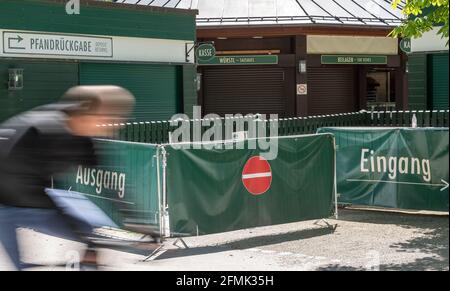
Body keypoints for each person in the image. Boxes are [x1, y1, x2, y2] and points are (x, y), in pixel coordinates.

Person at [0, 86, 135, 270]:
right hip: (9, 201)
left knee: (91, 226)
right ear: (87, 112)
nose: (115, 125)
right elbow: (22, 187)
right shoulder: (42, 130)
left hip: (35, 197)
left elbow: (107, 184)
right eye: (109, 119)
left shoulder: (83, 140)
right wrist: (82, 238)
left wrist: (133, 219)